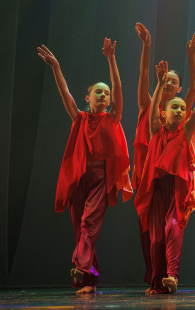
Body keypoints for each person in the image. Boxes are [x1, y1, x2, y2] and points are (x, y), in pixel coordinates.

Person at [37, 39, 133, 294]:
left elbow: (119, 87)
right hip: (79, 178)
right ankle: (89, 279)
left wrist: (111, 59)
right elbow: (64, 95)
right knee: (81, 229)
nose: (104, 95)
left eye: (107, 93)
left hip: (101, 178)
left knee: (88, 225)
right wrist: (56, 67)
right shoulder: (79, 118)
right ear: (87, 97)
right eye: (98, 92)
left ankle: (79, 269)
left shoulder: (113, 118)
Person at [134, 57, 195, 293]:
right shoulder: (155, 130)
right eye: (174, 107)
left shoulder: (186, 131)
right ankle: (157, 281)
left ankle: (173, 277)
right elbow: (153, 106)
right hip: (157, 191)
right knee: (156, 239)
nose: (179, 110)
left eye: (182, 108)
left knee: (173, 229)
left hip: (177, 190)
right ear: (163, 113)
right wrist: (158, 84)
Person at [131, 23, 195, 289]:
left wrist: (192, 57)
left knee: (170, 227)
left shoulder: (180, 115)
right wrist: (147, 46)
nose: (170, 82)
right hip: (148, 174)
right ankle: (156, 276)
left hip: (175, 171)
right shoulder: (148, 107)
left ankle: (168, 275)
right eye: (166, 79)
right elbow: (142, 75)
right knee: (150, 235)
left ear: (178, 89)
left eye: (174, 81)